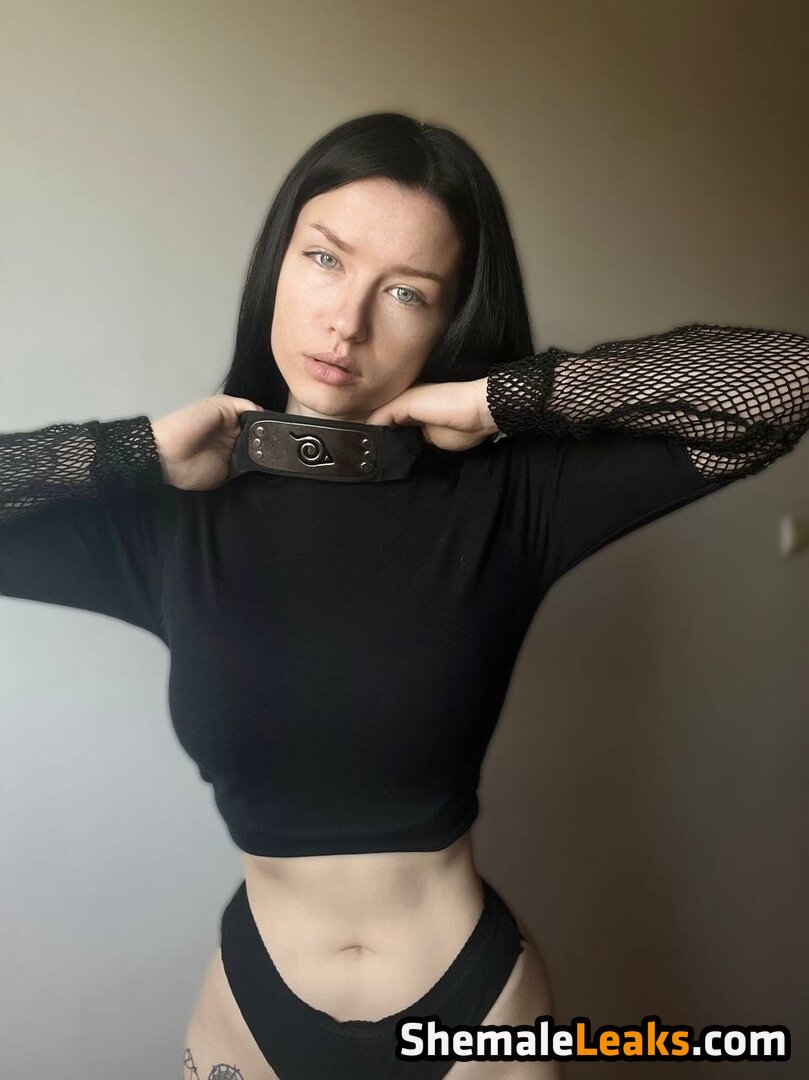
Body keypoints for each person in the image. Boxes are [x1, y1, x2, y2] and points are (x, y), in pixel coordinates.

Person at [2, 112, 807, 1080]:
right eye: (324, 259)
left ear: (448, 319)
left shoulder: (507, 497)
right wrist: (130, 451)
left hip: (475, 1013)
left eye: (406, 292)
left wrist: (500, 400)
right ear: (277, 260)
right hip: (252, 1011)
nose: (346, 322)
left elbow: (785, 383)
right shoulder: (171, 518)